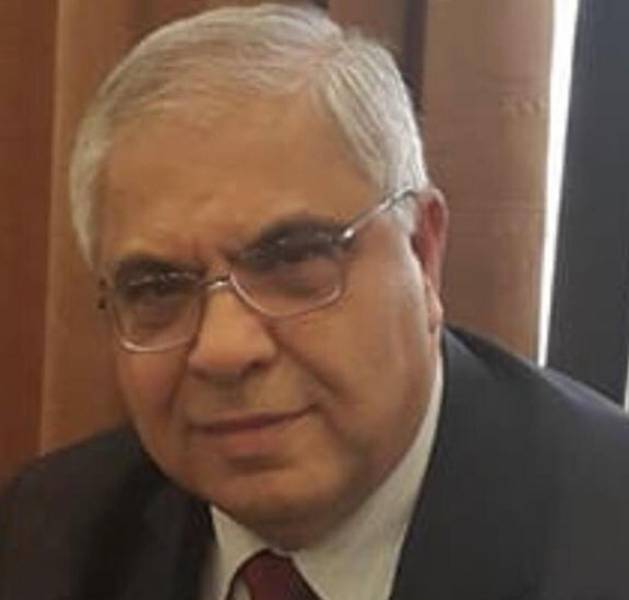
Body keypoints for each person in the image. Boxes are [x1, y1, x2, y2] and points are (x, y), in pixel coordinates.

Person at [2, 4, 629, 599]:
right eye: (158, 287)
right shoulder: (47, 536)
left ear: (422, 252)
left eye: (291, 260)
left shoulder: (604, 534)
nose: (224, 350)